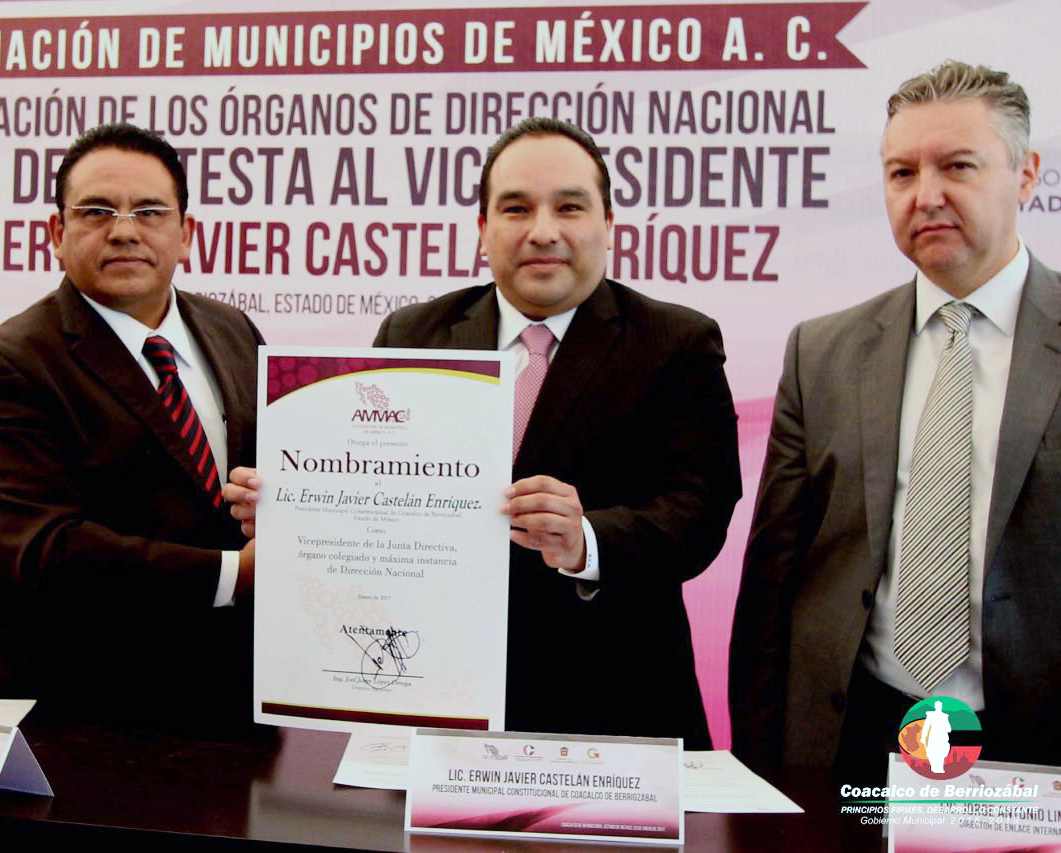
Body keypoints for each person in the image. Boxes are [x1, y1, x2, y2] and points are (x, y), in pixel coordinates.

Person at [230, 117, 742, 744]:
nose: (542, 231)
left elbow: (699, 512)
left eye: (570, 207)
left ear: (609, 225)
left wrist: (585, 541)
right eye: (516, 208)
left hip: (609, 710)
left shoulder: (676, 341)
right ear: (483, 230)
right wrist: (301, 514)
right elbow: (377, 497)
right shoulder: (412, 335)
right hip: (431, 706)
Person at [729, 61, 1061, 778]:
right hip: (855, 734)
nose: (926, 195)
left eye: (957, 166)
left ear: (1027, 175)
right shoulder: (823, 352)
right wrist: (758, 771)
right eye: (901, 173)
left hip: (1033, 751)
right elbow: (771, 588)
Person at [0, 124, 262, 725]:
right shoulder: (7, 363)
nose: (124, 230)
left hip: (240, 696)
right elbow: (43, 549)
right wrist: (233, 574)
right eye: (96, 211)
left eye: (149, 211)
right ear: (56, 234)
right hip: (93, 708)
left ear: (187, 234)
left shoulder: (234, 332)